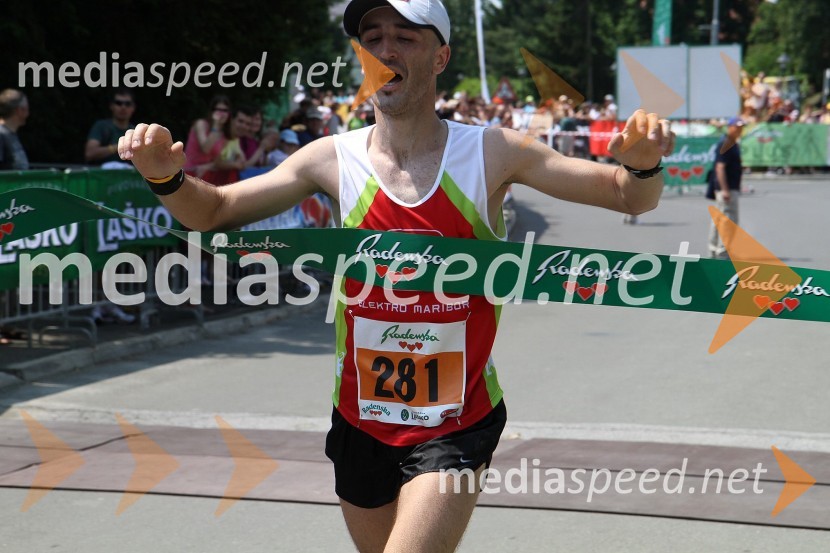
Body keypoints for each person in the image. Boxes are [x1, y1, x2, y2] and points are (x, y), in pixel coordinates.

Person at [118, 1, 674, 551]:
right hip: (359, 420)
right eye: (373, 37)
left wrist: (643, 163)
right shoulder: (329, 159)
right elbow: (212, 211)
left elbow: (627, 195)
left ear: (441, 57)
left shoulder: (493, 153)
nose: (386, 50)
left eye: (406, 37)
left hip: (456, 423)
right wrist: (167, 179)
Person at [707, 116, 745, 259]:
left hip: (728, 187)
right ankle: (723, 254)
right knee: (728, 222)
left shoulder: (731, 142)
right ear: (730, 127)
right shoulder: (727, 143)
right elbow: (720, 168)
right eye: (737, 126)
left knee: (719, 221)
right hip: (727, 189)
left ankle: (713, 251)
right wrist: (725, 189)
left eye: (741, 127)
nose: (740, 129)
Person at [182, 95, 232, 180]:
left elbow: (218, 160)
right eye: (218, 110)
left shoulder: (224, 134)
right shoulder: (201, 124)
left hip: (206, 172)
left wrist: (206, 166)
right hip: (189, 171)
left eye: (225, 110)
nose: (222, 113)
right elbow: (205, 149)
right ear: (212, 111)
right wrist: (216, 125)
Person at [84, 89, 136, 166]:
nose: (123, 107)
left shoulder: (135, 131)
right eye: (118, 103)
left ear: (133, 108)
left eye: (127, 104)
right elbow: (90, 154)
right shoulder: (101, 126)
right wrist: (117, 147)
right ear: (111, 106)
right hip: (101, 175)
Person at [0, 89, 30, 170]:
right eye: (26, 109)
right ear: (19, 111)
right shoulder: (1, 134)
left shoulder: (11, 134)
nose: (28, 114)